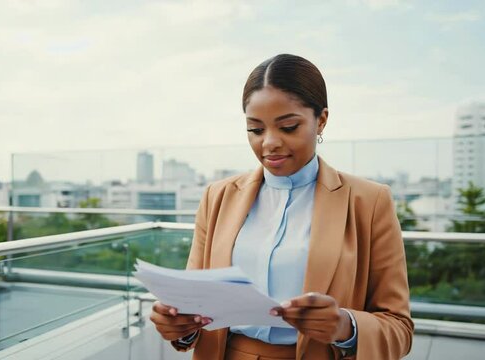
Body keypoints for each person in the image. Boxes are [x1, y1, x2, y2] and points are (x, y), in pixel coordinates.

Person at [149, 54, 413, 360]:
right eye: (256, 130)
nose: (269, 143)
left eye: (288, 127)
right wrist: (180, 324)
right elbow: (195, 308)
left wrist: (344, 326)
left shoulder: (370, 201)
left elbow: (399, 328)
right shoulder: (217, 197)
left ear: (321, 120)